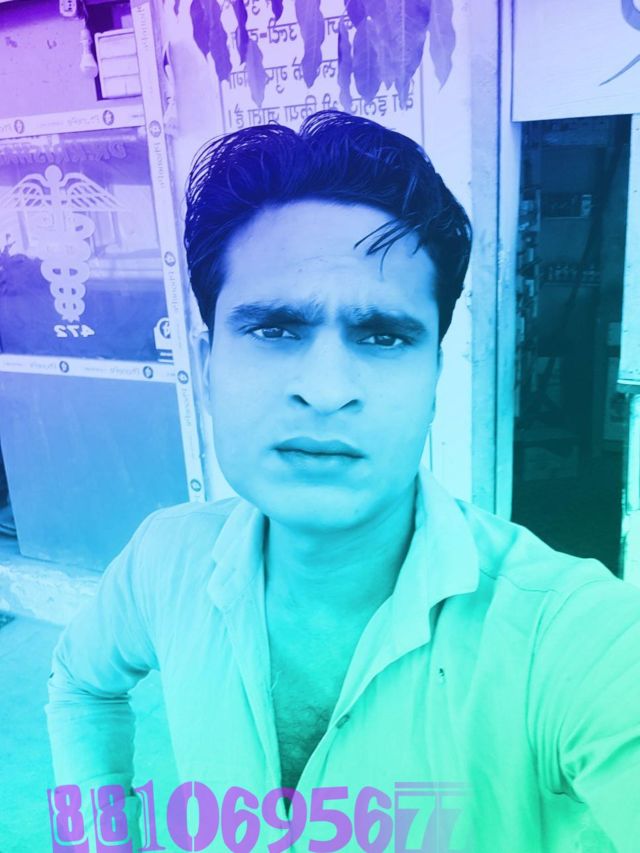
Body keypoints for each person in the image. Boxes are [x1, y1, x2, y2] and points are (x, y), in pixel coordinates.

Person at [47, 111, 640, 853]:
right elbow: (80, 684)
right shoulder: (163, 560)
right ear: (206, 365)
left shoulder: (567, 638)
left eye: (383, 335)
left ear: (433, 379)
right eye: (274, 328)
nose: (326, 390)